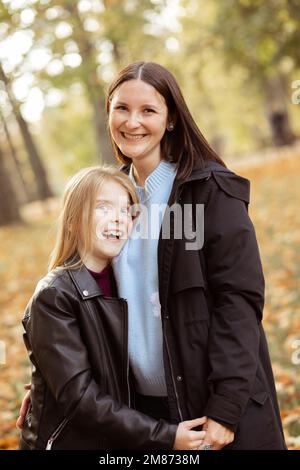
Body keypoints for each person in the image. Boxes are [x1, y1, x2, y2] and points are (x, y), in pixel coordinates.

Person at [18, 60, 287, 450]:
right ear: (108, 113)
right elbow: (86, 301)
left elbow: (239, 301)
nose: (133, 122)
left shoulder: (208, 192)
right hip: (143, 413)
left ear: (171, 119)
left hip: (211, 406)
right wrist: (50, 379)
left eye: (149, 110)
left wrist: (227, 407)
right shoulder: (110, 201)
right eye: (122, 108)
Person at [18, 166, 207, 450]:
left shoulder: (125, 285)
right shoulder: (54, 296)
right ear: (72, 220)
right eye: (103, 208)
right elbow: (81, 399)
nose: (118, 219)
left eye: (126, 211)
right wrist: (167, 436)